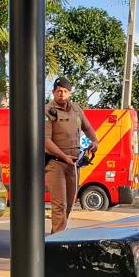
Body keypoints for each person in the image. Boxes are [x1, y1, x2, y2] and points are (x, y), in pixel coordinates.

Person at [44, 76, 98, 234]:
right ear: (53, 92)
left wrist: (94, 141)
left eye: (65, 91)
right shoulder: (47, 111)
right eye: (58, 91)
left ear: (70, 93)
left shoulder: (76, 109)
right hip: (56, 163)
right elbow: (46, 141)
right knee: (59, 204)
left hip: (73, 164)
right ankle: (57, 243)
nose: (61, 94)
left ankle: (58, 235)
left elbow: (87, 128)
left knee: (69, 203)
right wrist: (63, 157)